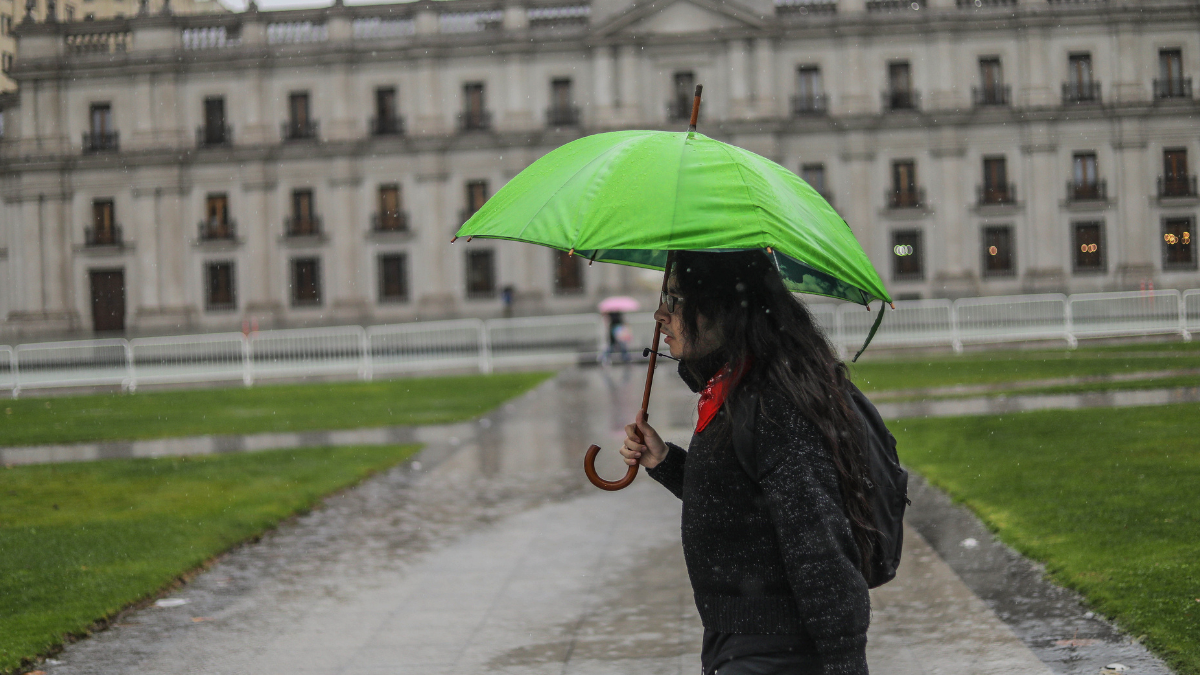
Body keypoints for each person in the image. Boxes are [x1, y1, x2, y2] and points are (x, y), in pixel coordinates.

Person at [619, 250, 874, 675]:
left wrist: (846, 664)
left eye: (676, 300)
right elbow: (739, 499)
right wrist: (664, 461)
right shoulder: (732, 389)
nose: (661, 315)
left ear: (723, 308)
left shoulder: (773, 405)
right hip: (736, 641)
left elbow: (820, 548)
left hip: (774, 651)